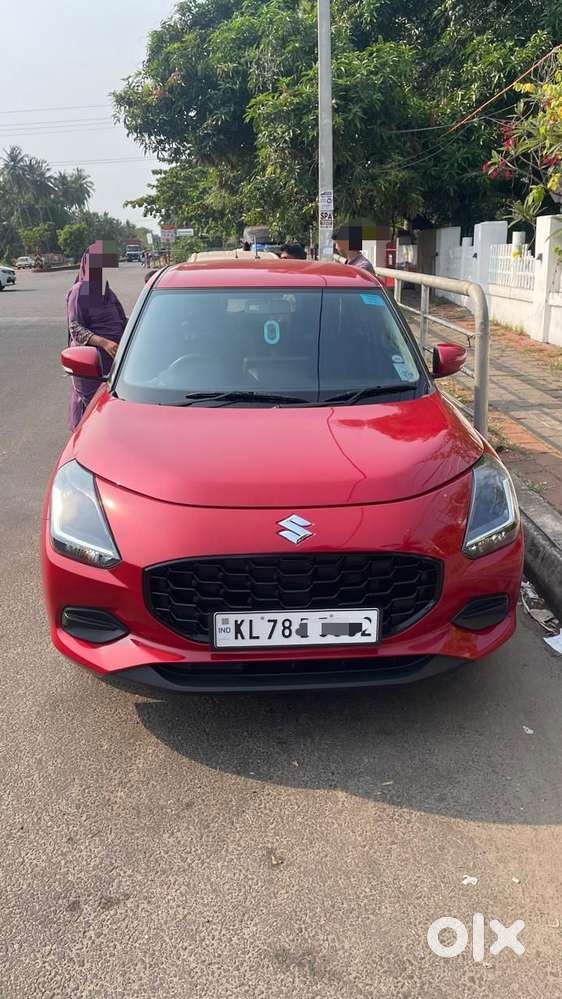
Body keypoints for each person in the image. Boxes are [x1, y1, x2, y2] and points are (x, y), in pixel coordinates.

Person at [65, 239, 127, 430]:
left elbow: (122, 321)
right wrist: (105, 343)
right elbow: (75, 327)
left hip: (115, 361)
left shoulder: (107, 292)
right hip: (91, 363)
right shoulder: (79, 291)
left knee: (113, 409)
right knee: (92, 413)